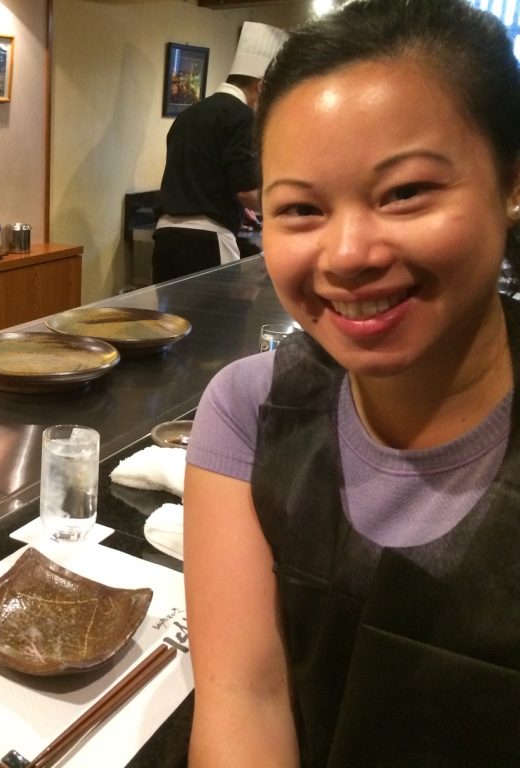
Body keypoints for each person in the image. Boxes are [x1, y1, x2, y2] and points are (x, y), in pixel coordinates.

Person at [182, 0, 520, 765]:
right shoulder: (246, 409)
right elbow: (245, 698)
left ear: (509, 181)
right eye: (300, 208)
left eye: (404, 193)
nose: (348, 253)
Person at [151, 22, 287, 283]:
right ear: (260, 86)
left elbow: (202, 174)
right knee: (216, 322)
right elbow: (246, 192)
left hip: (165, 237)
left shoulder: (188, 114)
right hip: (206, 241)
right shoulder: (241, 116)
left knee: (170, 322)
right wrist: (282, 207)